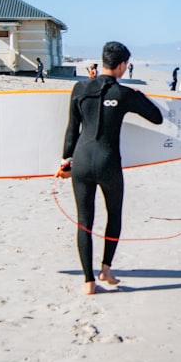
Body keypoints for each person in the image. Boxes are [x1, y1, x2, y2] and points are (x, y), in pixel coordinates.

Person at [60, 41, 163, 295]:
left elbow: (72, 129)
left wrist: (66, 162)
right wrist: (139, 98)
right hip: (108, 163)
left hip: (81, 161)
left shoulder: (80, 88)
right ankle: (106, 268)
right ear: (121, 66)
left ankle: (88, 281)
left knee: (84, 221)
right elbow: (157, 117)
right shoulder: (125, 94)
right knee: (113, 215)